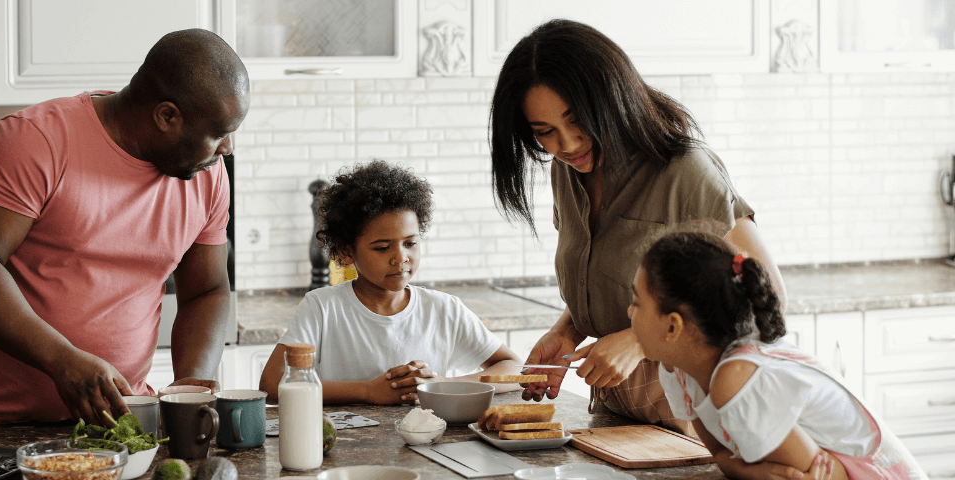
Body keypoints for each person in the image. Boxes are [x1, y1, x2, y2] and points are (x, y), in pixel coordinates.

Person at [488, 18, 787, 434]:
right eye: (545, 133)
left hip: (692, 408)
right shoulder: (568, 170)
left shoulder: (684, 169)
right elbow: (623, 282)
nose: (568, 144)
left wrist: (636, 342)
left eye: (578, 121)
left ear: (611, 98)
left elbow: (764, 296)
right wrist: (567, 330)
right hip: (617, 409)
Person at [0, 29, 249, 427]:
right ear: (166, 116)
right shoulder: (36, 140)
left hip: (117, 423)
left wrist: (191, 387)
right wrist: (62, 361)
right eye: (219, 134)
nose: (228, 150)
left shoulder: (206, 175)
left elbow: (206, 290)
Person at [631, 231, 925, 479]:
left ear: (673, 326)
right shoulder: (678, 371)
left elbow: (822, 476)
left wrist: (744, 468)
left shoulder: (736, 378)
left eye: (636, 302)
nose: (629, 313)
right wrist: (746, 470)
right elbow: (721, 456)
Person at [258, 160, 523, 405]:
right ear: (347, 251)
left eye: (410, 243)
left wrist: (443, 384)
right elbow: (271, 384)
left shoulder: (444, 309)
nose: (400, 258)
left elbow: (513, 368)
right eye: (383, 248)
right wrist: (368, 391)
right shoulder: (322, 307)